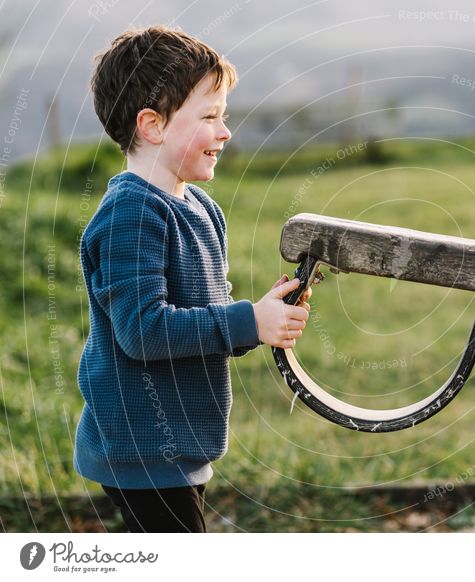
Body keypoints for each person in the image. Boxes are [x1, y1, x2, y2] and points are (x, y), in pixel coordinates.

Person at [75, 25, 310, 532]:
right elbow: (144, 330)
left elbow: (205, 314)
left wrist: (261, 315)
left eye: (223, 116)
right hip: (142, 451)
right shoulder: (130, 217)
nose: (225, 132)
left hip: (181, 443)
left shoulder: (201, 207)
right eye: (209, 117)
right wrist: (246, 321)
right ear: (152, 125)